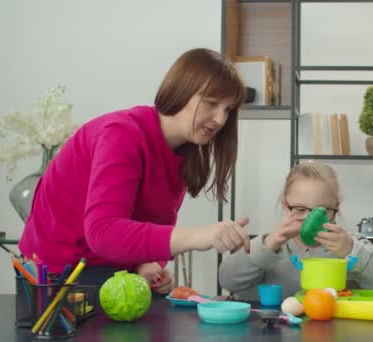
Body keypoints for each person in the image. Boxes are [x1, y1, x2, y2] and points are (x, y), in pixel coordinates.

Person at [19, 48, 251, 294]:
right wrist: (201, 236)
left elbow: (148, 225)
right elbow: (103, 232)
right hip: (58, 274)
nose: (219, 119)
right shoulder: (121, 135)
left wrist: (148, 264)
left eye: (228, 109)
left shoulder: (183, 150)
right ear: (181, 92)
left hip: (105, 268)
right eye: (211, 104)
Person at [218, 162, 373, 301]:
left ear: (336, 208)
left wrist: (353, 252)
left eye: (322, 211)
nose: (309, 220)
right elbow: (227, 281)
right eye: (300, 209)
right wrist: (267, 246)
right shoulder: (270, 245)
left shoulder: (352, 245)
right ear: (285, 206)